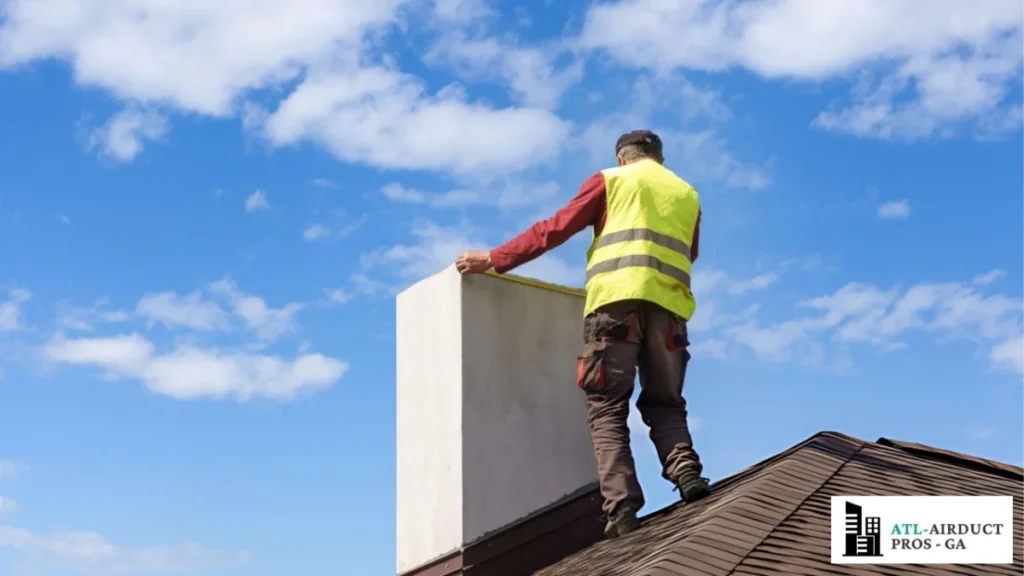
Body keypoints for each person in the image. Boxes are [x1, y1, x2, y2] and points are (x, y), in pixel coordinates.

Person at [454, 130, 709, 538]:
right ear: (658, 159)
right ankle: (686, 473)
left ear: (623, 158)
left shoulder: (610, 181)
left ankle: (622, 505)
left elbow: (555, 228)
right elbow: (689, 253)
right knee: (666, 402)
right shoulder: (687, 194)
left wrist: (494, 258)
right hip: (671, 312)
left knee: (606, 404)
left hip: (615, 306)